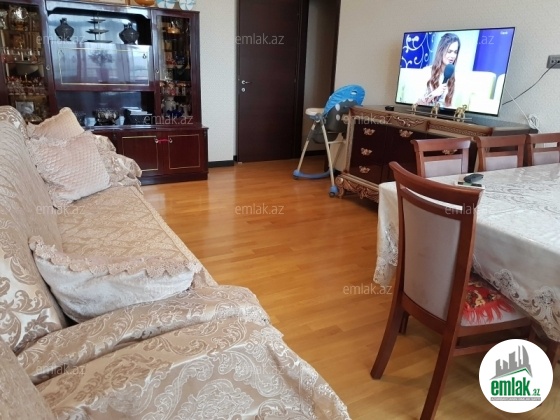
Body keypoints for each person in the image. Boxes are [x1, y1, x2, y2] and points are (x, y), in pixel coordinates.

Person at [417, 33, 460, 107]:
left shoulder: (457, 76)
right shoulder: (426, 72)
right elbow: (417, 105)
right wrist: (434, 94)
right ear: (441, 51)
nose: (452, 56)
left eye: (455, 52)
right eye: (449, 51)